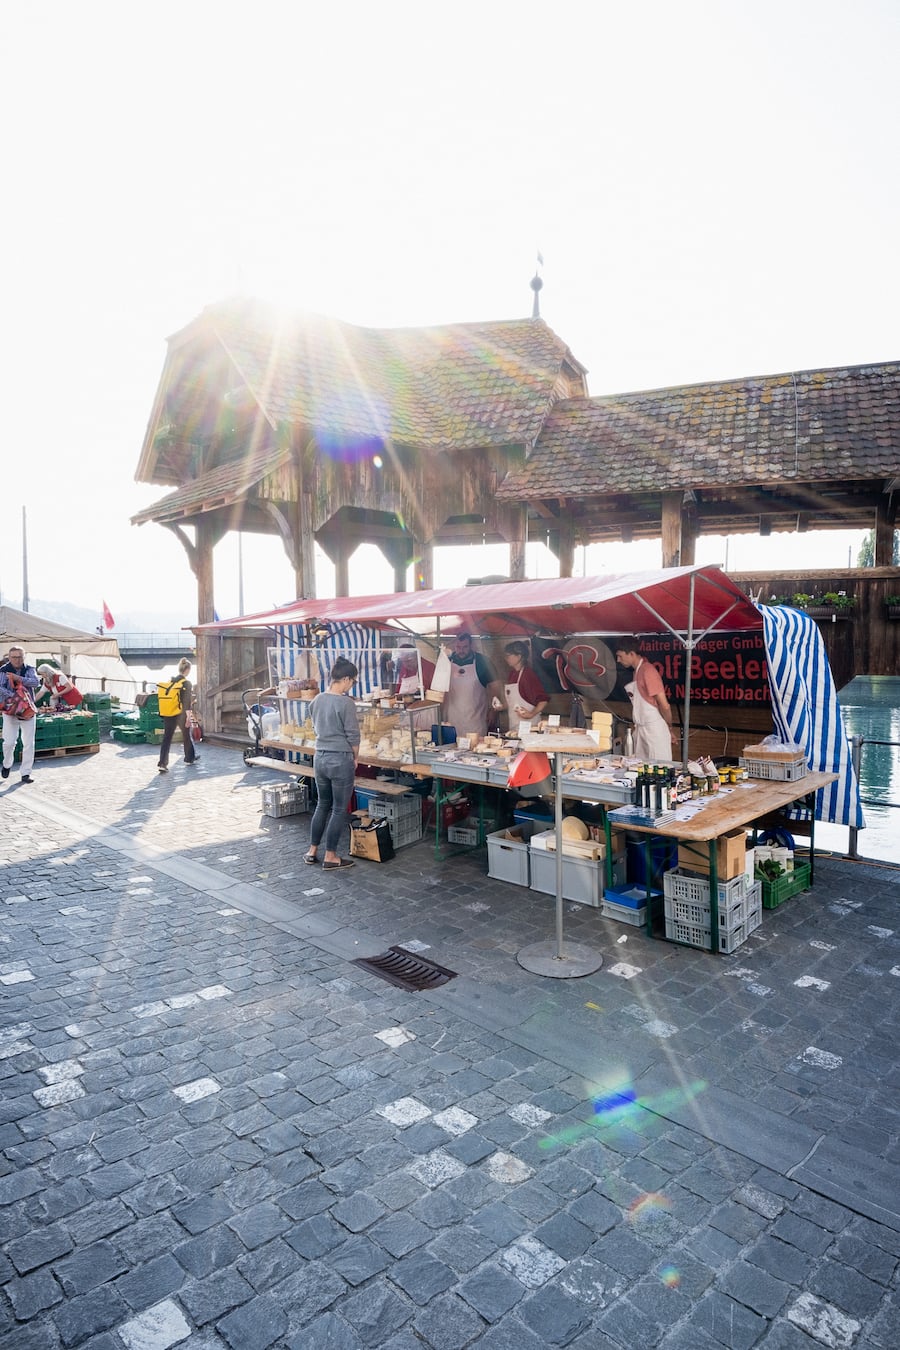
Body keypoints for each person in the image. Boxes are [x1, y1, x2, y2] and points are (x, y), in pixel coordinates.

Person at [304, 656, 360, 870]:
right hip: (340, 759)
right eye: (352, 681)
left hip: (320, 758)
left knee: (322, 804)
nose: (352, 685)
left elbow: (315, 727)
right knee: (338, 809)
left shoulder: (317, 699)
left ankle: (312, 851)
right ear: (345, 679)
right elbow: (353, 736)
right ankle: (331, 856)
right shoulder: (346, 703)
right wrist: (355, 758)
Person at [614, 637, 675, 761]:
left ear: (631, 654)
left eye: (620, 656)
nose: (618, 660)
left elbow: (664, 705)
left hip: (654, 730)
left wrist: (669, 728)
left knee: (660, 767)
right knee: (640, 767)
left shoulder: (648, 671)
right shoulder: (637, 671)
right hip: (641, 729)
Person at [439, 631, 499, 740]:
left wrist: (492, 711)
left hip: (475, 719)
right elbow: (440, 687)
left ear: (471, 645)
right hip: (453, 718)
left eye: (465, 647)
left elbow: (495, 687)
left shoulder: (482, 662)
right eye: (458, 647)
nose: (461, 650)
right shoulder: (447, 661)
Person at [1, 646, 41, 784]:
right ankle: (7, 764)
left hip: (28, 711)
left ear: (24, 657)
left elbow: (36, 682)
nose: (17, 660)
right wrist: (15, 697)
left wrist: (19, 678)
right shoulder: (3, 670)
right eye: (14, 657)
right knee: (9, 742)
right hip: (10, 710)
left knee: (29, 743)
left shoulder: (29, 669)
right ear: (9, 657)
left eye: (20, 657)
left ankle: (25, 773)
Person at [157, 657, 198, 772]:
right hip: (180, 714)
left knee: (167, 738)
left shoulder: (171, 682)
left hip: (168, 712)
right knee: (186, 735)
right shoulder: (186, 683)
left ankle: (162, 763)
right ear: (188, 670)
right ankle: (189, 758)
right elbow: (187, 703)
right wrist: (188, 718)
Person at [501, 641, 549, 729]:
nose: (506, 658)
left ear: (519, 656)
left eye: (508, 656)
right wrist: (502, 706)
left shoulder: (528, 675)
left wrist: (531, 714)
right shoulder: (512, 674)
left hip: (529, 726)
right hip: (514, 724)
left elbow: (543, 700)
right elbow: (513, 702)